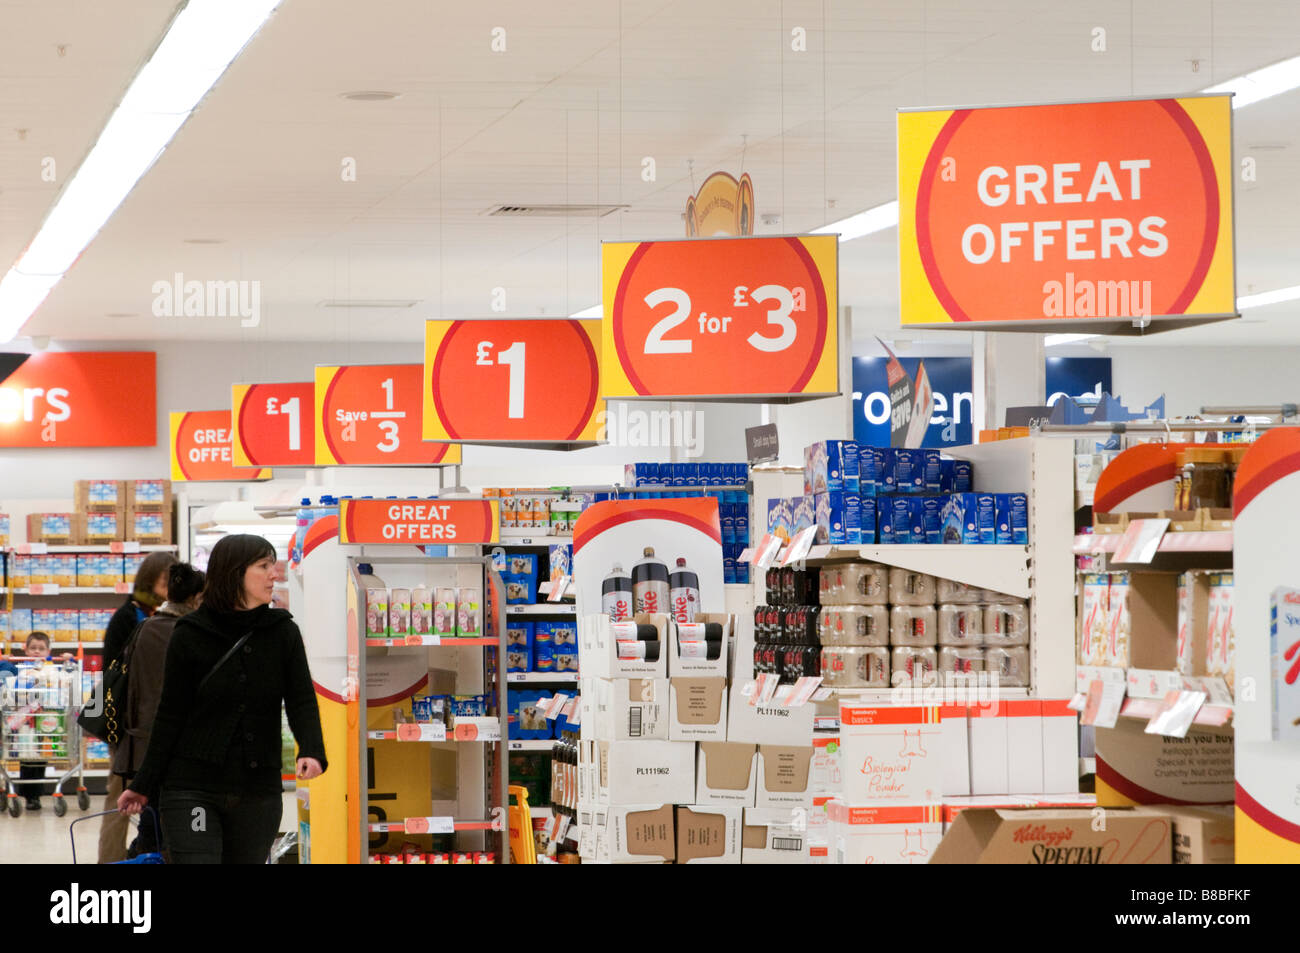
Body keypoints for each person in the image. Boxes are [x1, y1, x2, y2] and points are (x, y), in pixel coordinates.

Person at [119, 534, 327, 864]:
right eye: (264, 566)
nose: (275, 573)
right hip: (191, 786)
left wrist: (312, 749)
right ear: (234, 573)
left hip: (257, 790)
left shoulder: (283, 632)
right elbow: (170, 714)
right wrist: (143, 783)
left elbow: (301, 698)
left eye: (273, 565)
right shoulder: (190, 632)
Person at [111, 562, 205, 856]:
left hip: (142, 741)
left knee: (150, 822)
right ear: (194, 599)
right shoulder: (192, 632)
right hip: (180, 744)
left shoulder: (145, 628)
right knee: (183, 826)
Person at [98, 550, 176, 862]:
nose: (170, 587)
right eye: (165, 581)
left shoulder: (168, 615)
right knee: (119, 799)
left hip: (155, 723)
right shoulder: (128, 616)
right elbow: (113, 676)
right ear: (150, 580)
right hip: (127, 727)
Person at [8, 632, 68, 810]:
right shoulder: (19, 668)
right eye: (33, 648)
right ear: (25, 649)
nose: (37, 652)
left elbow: (65, 678)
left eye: (41, 649)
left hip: (45, 719)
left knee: (40, 757)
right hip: (25, 721)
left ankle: (35, 796)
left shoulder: (51, 669)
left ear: (49, 651)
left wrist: (68, 660)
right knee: (26, 757)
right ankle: (27, 794)